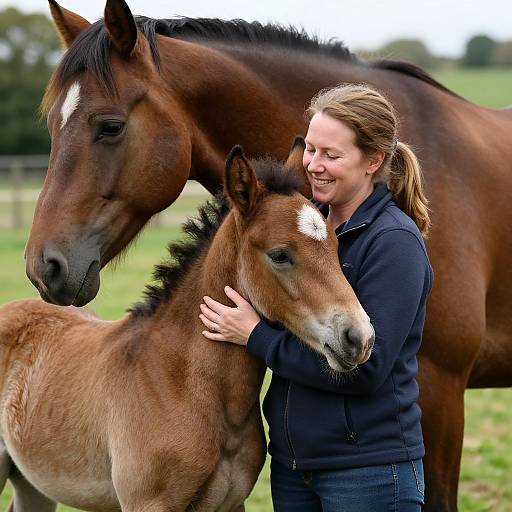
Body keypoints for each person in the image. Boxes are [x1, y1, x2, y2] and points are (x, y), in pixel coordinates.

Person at [199, 83, 433, 511]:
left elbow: (367, 367)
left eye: (332, 154)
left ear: (373, 161)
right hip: (295, 466)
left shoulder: (393, 242)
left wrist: (256, 336)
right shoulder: (309, 230)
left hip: (370, 472)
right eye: (310, 149)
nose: (314, 165)